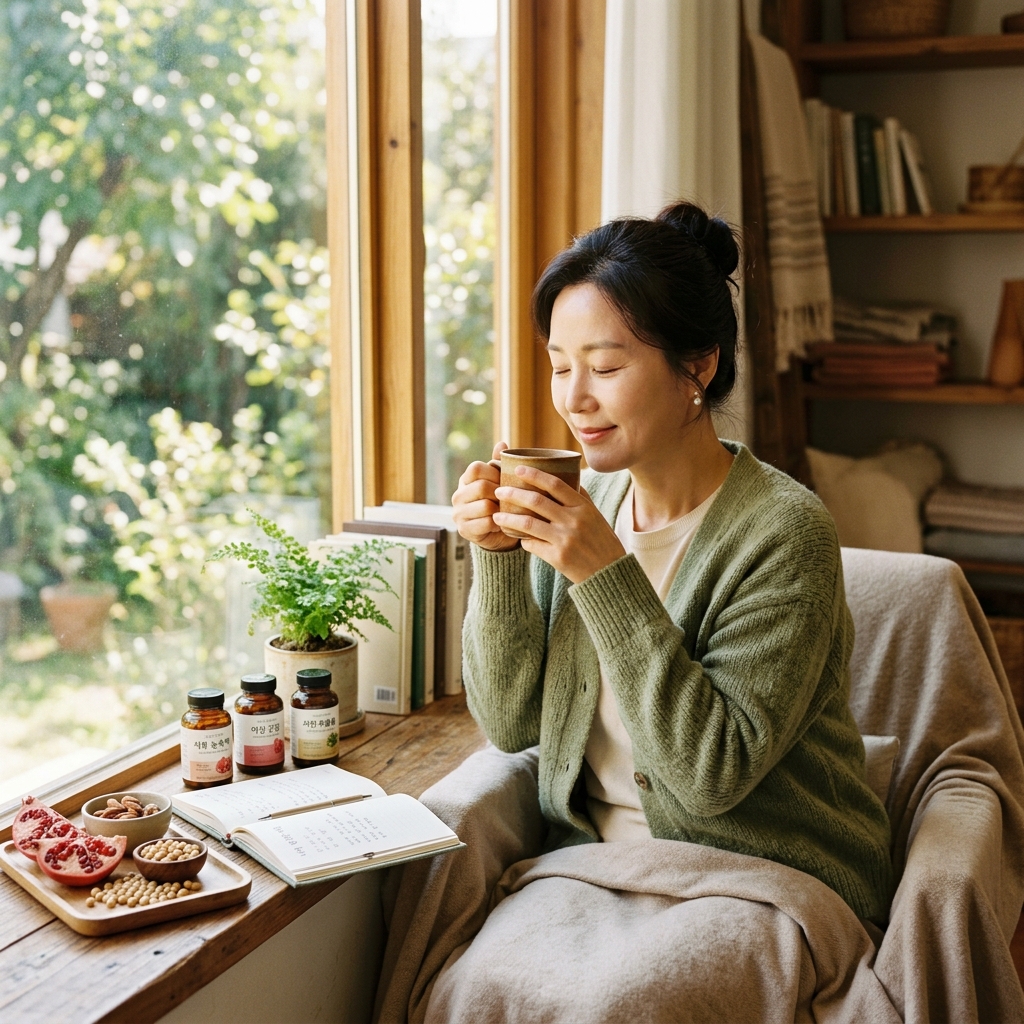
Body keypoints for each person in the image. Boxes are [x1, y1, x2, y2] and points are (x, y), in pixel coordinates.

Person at [452, 200, 892, 923]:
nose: (575, 398)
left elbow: (709, 776)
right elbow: (511, 724)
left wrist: (603, 573)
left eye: (606, 366)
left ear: (698, 366)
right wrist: (498, 559)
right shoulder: (584, 498)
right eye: (560, 367)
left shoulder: (786, 533)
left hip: (762, 878)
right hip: (591, 868)